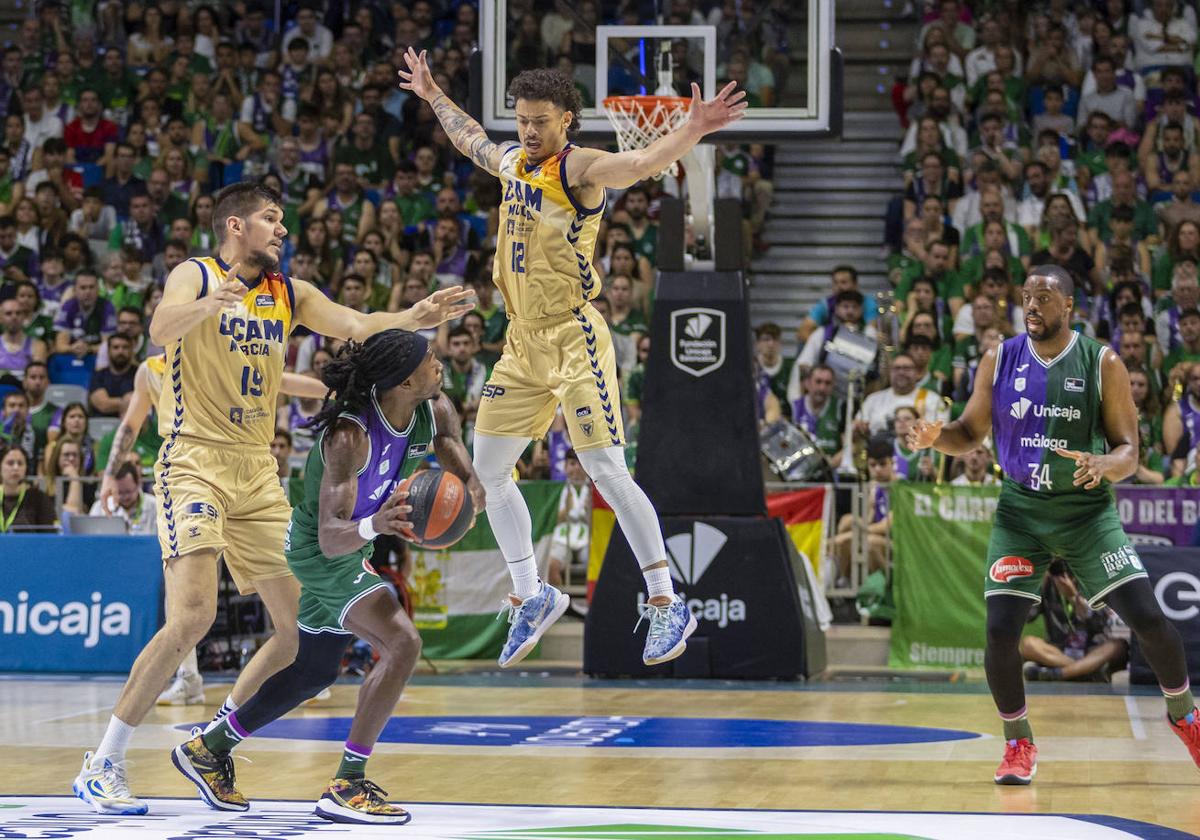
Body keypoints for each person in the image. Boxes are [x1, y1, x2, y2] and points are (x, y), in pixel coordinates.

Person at [73, 182, 472, 815]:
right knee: (193, 617)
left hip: (257, 470)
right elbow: (158, 328)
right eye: (270, 218)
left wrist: (415, 316)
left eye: (282, 220)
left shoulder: (290, 293)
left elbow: (358, 324)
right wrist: (210, 304)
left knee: (294, 633)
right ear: (235, 225)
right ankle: (104, 763)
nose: (281, 230)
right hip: (194, 461)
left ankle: (211, 746)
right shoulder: (194, 274)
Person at [399, 50, 745, 667]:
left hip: (575, 337)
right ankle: (531, 594)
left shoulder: (579, 168)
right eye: (523, 119)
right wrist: (431, 94)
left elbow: (639, 162)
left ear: (566, 120)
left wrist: (692, 129)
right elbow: (471, 137)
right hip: (521, 340)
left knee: (605, 470)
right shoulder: (512, 162)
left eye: (540, 121)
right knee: (490, 469)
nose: (528, 130)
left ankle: (666, 601)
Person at [172, 330, 483, 824]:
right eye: (430, 360)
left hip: (356, 545)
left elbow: (449, 447)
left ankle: (208, 750)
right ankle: (347, 782)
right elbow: (333, 536)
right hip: (321, 550)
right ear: (403, 380)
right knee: (402, 642)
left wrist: (468, 491)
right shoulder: (349, 435)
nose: (439, 364)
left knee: (314, 671)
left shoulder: (433, 407)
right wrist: (376, 524)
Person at [908, 264, 1200, 785]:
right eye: (1026, 298)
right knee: (1000, 632)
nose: (1032, 307)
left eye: (1043, 298)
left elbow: (1130, 451)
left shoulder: (1101, 360)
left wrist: (1108, 464)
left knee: (1148, 619)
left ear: (1069, 306)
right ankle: (1018, 741)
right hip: (1021, 513)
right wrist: (937, 439)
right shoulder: (1000, 357)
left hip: (1087, 514)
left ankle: (1185, 716)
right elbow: (969, 433)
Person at [1021, 560, 1130, 683]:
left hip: (1092, 651)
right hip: (1059, 651)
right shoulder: (1047, 585)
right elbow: (1027, 617)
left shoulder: (1092, 583)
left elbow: (1098, 623)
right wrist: (1038, 584)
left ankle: (1061, 673)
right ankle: (1084, 672)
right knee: (1028, 643)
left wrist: (1073, 597)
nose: (1065, 576)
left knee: (1117, 646)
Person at [89, 461, 157, 533]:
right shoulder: (99, 507)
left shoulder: (155, 505)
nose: (125, 497)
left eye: (128, 492)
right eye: (119, 493)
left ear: (138, 485)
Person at [0, 444, 54, 532]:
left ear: (26, 468)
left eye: (20, 463)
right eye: (10, 463)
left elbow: (50, 537)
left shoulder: (39, 498)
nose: (16, 467)